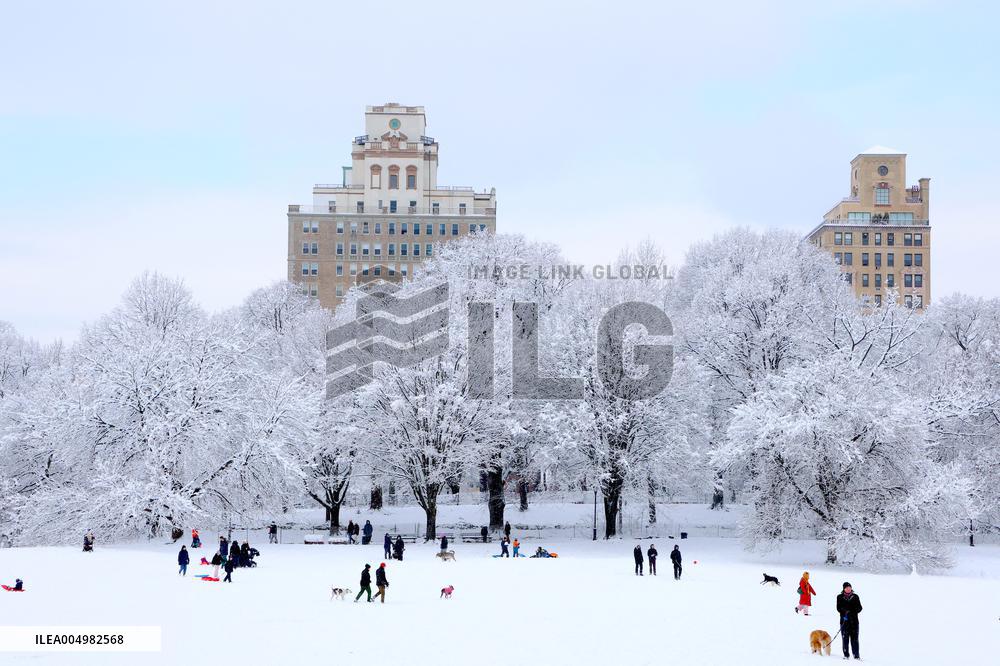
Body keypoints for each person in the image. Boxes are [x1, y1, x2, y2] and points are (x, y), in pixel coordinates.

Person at [836, 582, 863, 660]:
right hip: (844, 621)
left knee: (855, 639)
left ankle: (856, 655)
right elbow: (838, 608)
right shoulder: (839, 597)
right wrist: (845, 611)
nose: (848, 589)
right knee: (845, 639)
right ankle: (846, 655)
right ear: (844, 589)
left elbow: (860, 608)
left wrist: (852, 611)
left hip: (854, 622)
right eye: (847, 587)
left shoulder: (855, 596)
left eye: (849, 587)